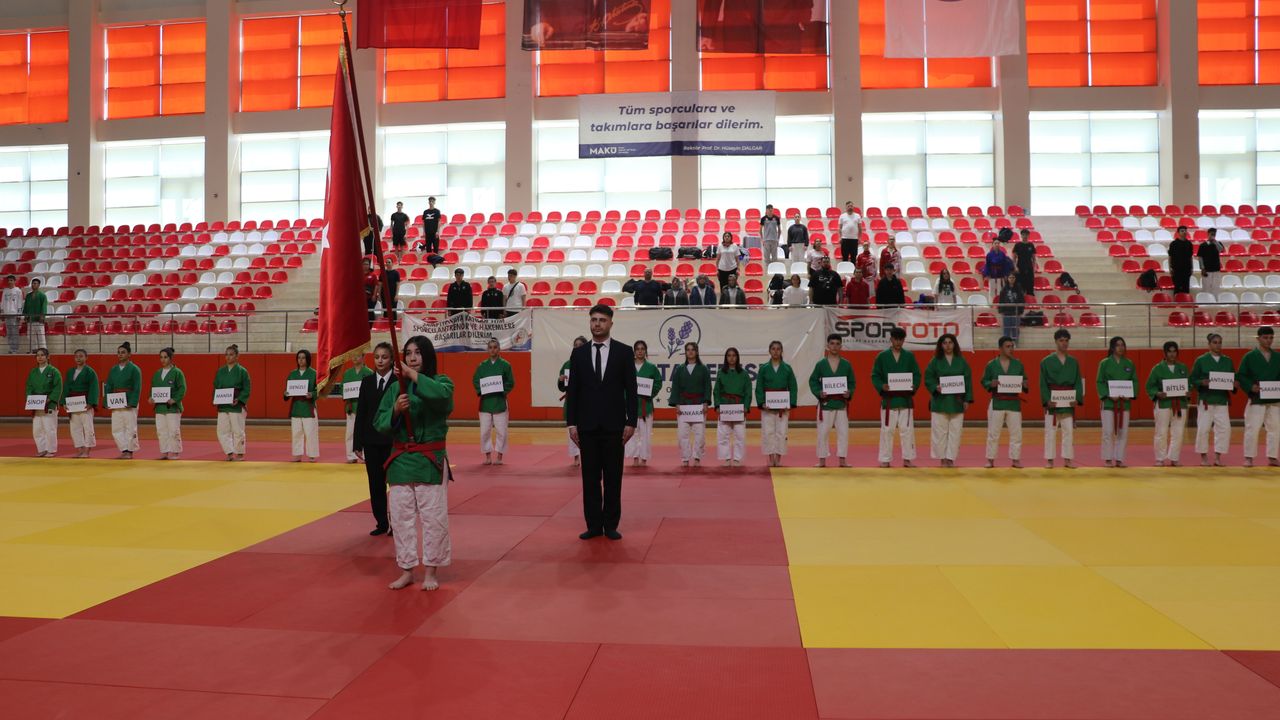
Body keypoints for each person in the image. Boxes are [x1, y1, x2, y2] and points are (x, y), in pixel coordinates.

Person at [375, 335, 455, 591]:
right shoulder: (395, 389)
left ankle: (431, 570)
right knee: (401, 519)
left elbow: (443, 399)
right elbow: (379, 422)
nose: (412, 357)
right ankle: (407, 569)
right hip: (401, 461)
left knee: (434, 519)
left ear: (427, 356)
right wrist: (396, 410)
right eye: (408, 353)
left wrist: (412, 375)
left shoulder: (441, 382)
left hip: (429, 461)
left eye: (417, 353)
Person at [565, 304, 638, 540]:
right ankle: (594, 525)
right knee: (590, 479)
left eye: (602, 320)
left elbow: (632, 390)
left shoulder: (623, 352)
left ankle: (611, 524)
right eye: (594, 320)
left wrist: (631, 421)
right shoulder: (579, 354)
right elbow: (573, 391)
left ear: (610, 324)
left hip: (615, 426)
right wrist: (571, 423)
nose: (597, 324)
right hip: (586, 426)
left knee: (613, 478)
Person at [354, 342, 396, 535]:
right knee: (375, 483)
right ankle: (381, 523)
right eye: (377, 357)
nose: (380, 360)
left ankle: (396, 523)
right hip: (371, 441)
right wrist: (357, 442)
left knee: (395, 484)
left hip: (392, 441)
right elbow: (361, 413)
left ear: (392, 359)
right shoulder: (367, 382)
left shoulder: (398, 381)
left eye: (384, 357)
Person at [872, 326, 920, 468]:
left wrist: (914, 386)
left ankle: (907, 459)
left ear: (904, 340)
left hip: (905, 400)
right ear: (891, 339)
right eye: (895, 339)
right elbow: (875, 375)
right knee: (887, 430)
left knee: (907, 430)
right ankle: (885, 459)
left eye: (901, 339)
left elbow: (917, 374)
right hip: (889, 400)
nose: (898, 342)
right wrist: (882, 386)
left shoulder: (909, 356)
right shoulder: (882, 356)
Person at [924, 333, 972, 467]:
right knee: (940, 432)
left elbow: (968, 381)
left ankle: (951, 458)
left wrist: (967, 400)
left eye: (950, 342)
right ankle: (942, 458)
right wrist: (935, 387)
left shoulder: (961, 361)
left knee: (955, 432)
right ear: (941, 345)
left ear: (955, 344)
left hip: (957, 401)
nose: (948, 345)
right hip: (940, 400)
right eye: (944, 343)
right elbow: (928, 378)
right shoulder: (935, 361)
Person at [809, 333, 855, 468]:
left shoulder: (846, 364)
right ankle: (822, 460)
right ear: (827, 345)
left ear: (841, 346)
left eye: (837, 344)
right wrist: (819, 392)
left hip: (841, 404)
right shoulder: (821, 364)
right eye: (832, 343)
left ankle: (842, 460)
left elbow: (852, 382)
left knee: (843, 433)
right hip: (826, 404)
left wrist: (849, 392)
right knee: (822, 433)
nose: (834, 346)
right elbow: (813, 381)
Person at [1041, 329, 1084, 469]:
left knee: (1068, 432)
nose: (1064, 343)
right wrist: (1047, 400)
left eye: (1066, 340)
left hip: (1067, 401)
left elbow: (1078, 382)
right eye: (1061, 340)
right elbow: (1043, 383)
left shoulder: (1073, 362)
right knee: (1050, 432)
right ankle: (1049, 460)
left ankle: (1068, 459)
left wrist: (1077, 398)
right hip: (1052, 402)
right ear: (1055, 342)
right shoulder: (1046, 361)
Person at [1238, 325, 1280, 467]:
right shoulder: (1249, 356)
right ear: (1258, 338)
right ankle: (1249, 457)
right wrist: (1250, 386)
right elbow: (1241, 375)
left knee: (1275, 429)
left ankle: (1272, 457)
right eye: (1265, 337)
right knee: (1252, 428)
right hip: (1257, 398)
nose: (1268, 340)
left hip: (1274, 398)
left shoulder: (1277, 357)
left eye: (1271, 338)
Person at [982, 336, 1026, 468]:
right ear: (1000, 348)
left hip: (1013, 403)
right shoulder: (991, 364)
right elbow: (984, 381)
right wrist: (991, 383)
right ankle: (990, 459)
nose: (1011, 349)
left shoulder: (1018, 364)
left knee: (1016, 433)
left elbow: (1024, 380)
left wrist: (1025, 384)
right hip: (997, 402)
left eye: (1012, 346)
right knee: (993, 433)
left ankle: (1015, 459)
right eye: (1008, 346)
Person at [1190, 333, 1233, 467]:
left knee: (1224, 429)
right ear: (1209, 344)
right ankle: (1203, 457)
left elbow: (1232, 378)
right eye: (1215, 342)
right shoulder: (1201, 360)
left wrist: (1234, 384)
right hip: (1206, 400)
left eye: (1220, 342)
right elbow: (1192, 379)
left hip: (1221, 399)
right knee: (1203, 429)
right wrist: (1201, 382)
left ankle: (1218, 457)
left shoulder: (1228, 361)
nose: (1218, 345)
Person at [1147, 341, 1190, 467]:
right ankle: (1160, 458)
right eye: (1169, 351)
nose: (1172, 354)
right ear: (1165, 353)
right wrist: (1157, 393)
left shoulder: (1183, 368)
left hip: (1180, 404)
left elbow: (1189, 384)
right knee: (1161, 432)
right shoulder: (1157, 368)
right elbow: (1150, 386)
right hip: (1163, 404)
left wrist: (1188, 391)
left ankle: (1174, 458)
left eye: (1174, 351)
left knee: (1178, 432)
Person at [669, 341, 711, 468]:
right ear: (685, 352)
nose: (690, 352)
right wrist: (676, 403)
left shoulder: (703, 369)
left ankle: (697, 457)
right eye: (688, 349)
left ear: (697, 352)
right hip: (683, 404)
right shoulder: (679, 369)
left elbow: (707, 386)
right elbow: (675, 387)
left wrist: (706, 402)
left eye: (693, 349)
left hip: (699, 404)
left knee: (700, 433)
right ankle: (685, 458)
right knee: (682, 434)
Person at [756, 340, 798, 467]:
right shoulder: (764, 368)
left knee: (782, 432)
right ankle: (770, 457)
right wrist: (762, 402)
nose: (775, 351)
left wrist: (790, 403)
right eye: (773, 349)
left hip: (783, 405)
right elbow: (759, 387)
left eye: (778, 349)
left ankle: (778, 457)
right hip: (767, 405)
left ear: (781, 351)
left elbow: (793, 387)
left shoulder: (787, 368)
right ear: (769, 351)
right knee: (768, 432)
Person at [473, 337, 514, 465]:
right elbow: (476, 380)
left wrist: (502, 390)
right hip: (485, 402)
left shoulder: (506, 365)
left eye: (495, 347)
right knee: (484, 431)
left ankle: (499, 456)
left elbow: (510, 382)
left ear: (499, 349)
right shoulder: (482, 366)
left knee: (502, 431)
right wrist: (482, 390)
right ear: (487, 349)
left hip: (499, 401)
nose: (492, 350)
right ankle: (488, 456)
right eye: (490, 347)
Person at [1096, 336, 1136, 468]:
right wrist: (1108, 394)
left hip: (1124, 403)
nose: (1121, 347)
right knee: (1108, 431)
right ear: (1112, 347)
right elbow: (1099, 382)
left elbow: (1134, 381)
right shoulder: (1104, 363)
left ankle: (1119, 459)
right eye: (1118, 345)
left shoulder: (1129, 363)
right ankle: (1108, 459)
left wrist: (1130, 394)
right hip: (1109, 403)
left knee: (1123, 432)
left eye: (1122, 345)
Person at [713, 347, 752, 466]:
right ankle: (726, 458)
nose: (731, 358)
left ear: (737, 357)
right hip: (725, 405)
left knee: (739, 435)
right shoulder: (721, 373)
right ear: (726, 358)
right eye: (729, 355)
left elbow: (748, 391)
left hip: (739, 406)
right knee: (723, 434)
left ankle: (737, 458)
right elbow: (716, 391)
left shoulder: (744, 374)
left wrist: (746, 406)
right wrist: (717, 405)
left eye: (734, 355)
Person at [626, 340, 662, 467]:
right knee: (632, 433)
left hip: (645, 404)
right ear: (634, 351)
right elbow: (622, 384)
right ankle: (635, 457)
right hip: (630, 405)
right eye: (637, 349)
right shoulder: (628, 366)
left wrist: (649, 393)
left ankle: (644, 458)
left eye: (642, 349)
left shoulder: (651, 367)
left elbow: (658, 383)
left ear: (645, 351)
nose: (640, 351)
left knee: (645, 434)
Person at [104, 341, 142, 460]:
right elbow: (108, 386)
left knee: (130, 427)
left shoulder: (134, 369)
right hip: (116, 400)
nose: (120, 354)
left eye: (123, 352)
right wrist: (107, 401)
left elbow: (137, 387)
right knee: (116, 427)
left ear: (129, 354)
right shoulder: (113, 369)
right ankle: (124, 449)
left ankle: (130, 450)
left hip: (129, 400)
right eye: (119, 352)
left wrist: (132, 402)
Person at [214, 344, 251, 461]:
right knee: (222, 431)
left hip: (236, 405)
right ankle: (229, 452)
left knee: (238, 430)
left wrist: (239, 399)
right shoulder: (221, 371)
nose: (228, 357)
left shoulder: (242, 371)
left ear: (237, 356)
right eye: (226, 355)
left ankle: (239, 453)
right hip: (223, 405)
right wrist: (217, 398)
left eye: (231, 355)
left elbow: (247, 388)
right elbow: (216, 387)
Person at [557, 336, 589, 466]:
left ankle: (587, 455)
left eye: (580, 345)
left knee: (586, 430)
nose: (577, 347)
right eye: (575, 345)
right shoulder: (567, 364)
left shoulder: (591, 363)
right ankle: (576, 457)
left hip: (586, 401)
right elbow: (562, 387)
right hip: (571, 401)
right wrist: (561, 380)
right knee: (572, 429)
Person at [151, 347, 185, 461]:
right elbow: (154, 389)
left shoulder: (177, 372)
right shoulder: (157, 374)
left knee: (173, 430)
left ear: (170, 358)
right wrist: (151, 398)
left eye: (165, 357)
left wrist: (175, 399)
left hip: (172, 408)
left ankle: (175, 452)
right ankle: (164, 452)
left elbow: (182, 388)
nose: (163, 360)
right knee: (161, 431)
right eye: (161, 357)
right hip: (160, 408)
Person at [63, 349, 99, 459]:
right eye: (76, 356)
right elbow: (66, 387)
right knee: (75, 428)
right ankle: (80, 449)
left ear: (86, 357)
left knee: (88, 428)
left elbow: (94, 388)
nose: (78, 358)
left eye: (81, 356)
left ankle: (87, 450)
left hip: (85, 403)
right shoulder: (70, 372)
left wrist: (91, 402)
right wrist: (64, 402)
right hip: (73, 403)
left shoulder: (90, 372)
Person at [285, 349, 319, 462]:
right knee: (296, 433)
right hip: (296, 407)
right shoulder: (292, 374)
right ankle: (297, 454)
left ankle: (312, 455)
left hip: (308, 407)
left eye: (303, 358)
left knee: (310, 433)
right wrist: (286, 394)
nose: (301, 360)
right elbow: (287, 390)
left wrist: (312, 394)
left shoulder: (314, 373)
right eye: (299, 358)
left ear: (308, 359)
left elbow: (319, 390)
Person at [26, 347, 60, 457]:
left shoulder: (54, 371)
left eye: (42, 355)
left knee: (49, 428)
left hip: (49, 403)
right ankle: (42, 449)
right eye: (37, 355)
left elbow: (58, 387)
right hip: (36, 403)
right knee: (37, 429)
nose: (39, 357)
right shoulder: (33, 372)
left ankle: (51, 450)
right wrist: (30, 399)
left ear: (48, 357)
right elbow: (29, 387)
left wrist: (50, 399)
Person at [341, 357, 373, 463]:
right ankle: (351, 456)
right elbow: (342, 388)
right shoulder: (347, 373)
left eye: (357, 355)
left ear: (363, 357)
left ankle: (366, 455)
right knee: (350, 432)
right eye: (353, 355)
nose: (355, 358)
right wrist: (346, 395)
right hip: (351, 406)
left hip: (365, 408)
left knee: (365, 432)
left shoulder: (369, 372)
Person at [996, 274, 1025, 342]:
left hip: (1016, 312)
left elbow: (1022, 300)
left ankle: (1015, 343)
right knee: (1006, 330)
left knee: (1015, 330)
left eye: (1013, 277)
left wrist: (1021, 311)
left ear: (1015, 279)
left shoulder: (1019, 289)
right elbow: (1001, 300)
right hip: (1006, 313)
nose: (1011, 279)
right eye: (1010, 277)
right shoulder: (1004, 289)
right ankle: (1006, 343)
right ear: (1008, 279)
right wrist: (1001, 311)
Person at [1197, 227, 1224, 297]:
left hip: (1216, 269)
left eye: (1214, 234)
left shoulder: (1218, 243)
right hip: (1207, 270)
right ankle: (1206, 300)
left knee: (1216, 287)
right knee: (1206, 287)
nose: (1213, 235)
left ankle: (1215, 300)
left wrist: (1215, 242)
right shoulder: (1203, 245)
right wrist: (1202, 268)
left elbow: (1221, 250)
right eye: (1211, 234)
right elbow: (1200, 257)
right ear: (1208, 234)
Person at [1168, 225, 1195, 296]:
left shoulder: (1189, 244)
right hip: (1176, 269)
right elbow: (1170, 256)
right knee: (1177, 288)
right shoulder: (1173, 244)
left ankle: (1186, 302)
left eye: (1185, 231)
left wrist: (1192, 268)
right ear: (1178, 233)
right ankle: (1177, 302)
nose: (1184, 232)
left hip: (1187, 269)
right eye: (1182, 231)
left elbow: (1190, 257)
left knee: (1186, 288)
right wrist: (1170, 268)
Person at [23, 278, 47, 352]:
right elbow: (25, 306)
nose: (33, 285)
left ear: (39, 285)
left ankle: (43, 351)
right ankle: (34, 350)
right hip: (30, 319)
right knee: (31, 337)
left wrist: (42, 316)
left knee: (41, 336)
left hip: (39, 320)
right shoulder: (28, 296)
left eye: (35, 283)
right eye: (32, 283)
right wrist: (25, 316)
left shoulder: (42, 295)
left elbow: (44, 306)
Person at [1012, 229, 1037, 296]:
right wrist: (1015, 267)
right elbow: (1014, 258)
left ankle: (1030, 299)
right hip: (1020, 267)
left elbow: (1034, 258)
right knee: (1020, 286)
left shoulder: (1031, 245)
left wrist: (1034, 267)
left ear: (1028, 235)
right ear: (1021, 235)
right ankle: (1021, 300)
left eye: (1026, 235)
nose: (1025, 236)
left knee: (1030, 285)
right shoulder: (1018, 245)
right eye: (1023, 234)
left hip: (1029, 267)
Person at [2, 275, 23, 354]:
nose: (9, 282)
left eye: (11, 280)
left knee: (14, 332)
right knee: (9, 332)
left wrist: (19, 314)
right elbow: (3, 302)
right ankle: (11, 348)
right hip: (7, 314)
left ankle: (15, 349)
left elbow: (20, 302)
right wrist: (2, 313)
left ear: (14, 281)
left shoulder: (18, 290)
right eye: (8, 280)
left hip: (14, 314)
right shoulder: (5, 290)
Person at [363, 258, 379, 322]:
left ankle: (371, 325)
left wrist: (374, 295)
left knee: (370, 312)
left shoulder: (373, 275)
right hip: (362, 298)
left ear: (369, 265)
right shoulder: (359, 274)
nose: (365, 266)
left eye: (367, 264)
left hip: (371, 297)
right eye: (364, 264)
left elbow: (376, 285)